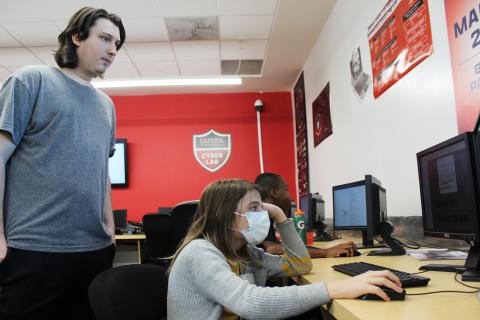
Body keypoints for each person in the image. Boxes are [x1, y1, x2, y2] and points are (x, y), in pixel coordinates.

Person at [0, 7, 125, 320]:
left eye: (117, 44)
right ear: (77, 37)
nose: (112, 50)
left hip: (93, 251)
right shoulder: (31, 81)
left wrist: (109, 228)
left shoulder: (106, 105)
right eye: (105, 38)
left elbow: (102, 172)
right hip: (32, 250)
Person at [167, 179, 403, 320]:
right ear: (226, 217)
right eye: (254, 208)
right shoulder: (200, 253)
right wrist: (335, 288)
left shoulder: (246, 253)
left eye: (262, 208)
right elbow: (251, 303)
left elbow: (300, 265)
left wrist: (281, 216)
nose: (262, 214)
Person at [255, 173, 358, 257]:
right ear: (274, 193)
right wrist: (325, 252)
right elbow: (272, 249)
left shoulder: (264, 214)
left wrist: (324, 250)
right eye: (286, 189)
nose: (289, 195)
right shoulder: (261, 215)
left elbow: (274, 246)